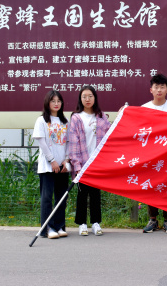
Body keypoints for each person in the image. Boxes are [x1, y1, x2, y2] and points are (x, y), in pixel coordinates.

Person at [68, 85, 111, 236]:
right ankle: (81, 223)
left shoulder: (101, 116)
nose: (87, 99)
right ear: (80, 98)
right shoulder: (76, 118)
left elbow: (110, 134)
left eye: (90, 96)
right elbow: (73, 142)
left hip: (97, 163)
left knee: (95, 194)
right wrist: (77, 165)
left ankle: (96, 223)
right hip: (82, 162)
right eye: (84, 96)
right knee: (82, 194)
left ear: (95, 98)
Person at [141, 73, 167, 234]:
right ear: (151, 90)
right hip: (151, 154)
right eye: (156, 87)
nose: (159, 90)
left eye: (162, 87)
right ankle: (152, 219)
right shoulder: (144, 108)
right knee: (151, 187)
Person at [33, 90, 69, 239]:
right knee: (47, 198)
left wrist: (66, 160)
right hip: (48, 166)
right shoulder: (41, 120)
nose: (56, 104)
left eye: (58, 101)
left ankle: (59, 226)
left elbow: (68, 142)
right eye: (53, 101)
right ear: (47, 103)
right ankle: (47, 228)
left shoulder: (65, 121)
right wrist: (52, 161)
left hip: (63, 166)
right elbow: (41, 142)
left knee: (62, 198)